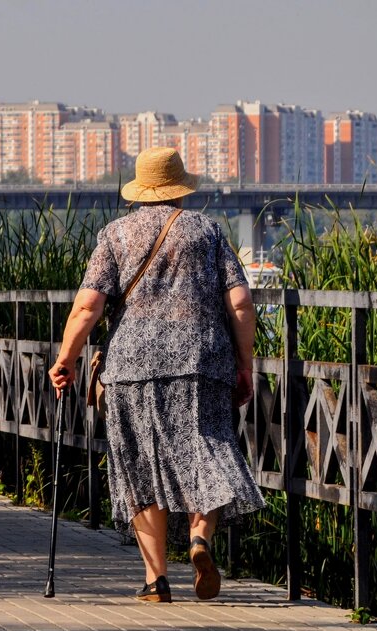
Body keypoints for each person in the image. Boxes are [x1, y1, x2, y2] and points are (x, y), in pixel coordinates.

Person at [49, 146, 265, 603]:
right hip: (202, 363)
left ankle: (156, 581)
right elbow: (241, 303)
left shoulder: (116, 235)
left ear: (139, 191)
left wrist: (66, 359)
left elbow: (88, 306)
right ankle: (200, 539)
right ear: (180, 188)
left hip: (130, 368)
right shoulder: (207, 232)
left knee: (140, 468)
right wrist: (244, 365)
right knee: (208, 452)